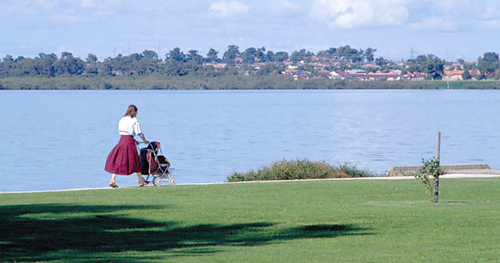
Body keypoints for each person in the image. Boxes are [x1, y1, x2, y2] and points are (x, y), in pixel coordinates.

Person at [105, 105, 150, 188]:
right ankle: (141, 181)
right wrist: (145, 141)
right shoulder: (134, 120)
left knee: (118, 160)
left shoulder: (122, 119)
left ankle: (112, 180)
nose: (136, 114)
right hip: (129, 142)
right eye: (136, 112)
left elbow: (125, 132)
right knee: (135, 160)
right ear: (133, 111)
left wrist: (134, 140)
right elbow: (139, 133)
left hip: (122, 140)